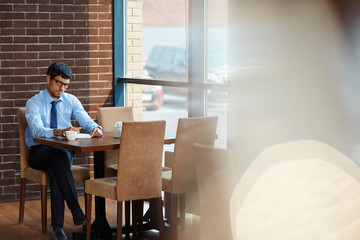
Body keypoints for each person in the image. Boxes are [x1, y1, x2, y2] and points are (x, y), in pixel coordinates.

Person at [25, 62, 103, 240]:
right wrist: (59, 132)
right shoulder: (34, 102)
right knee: (58, 160)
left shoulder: (71, 100)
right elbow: (37, 132)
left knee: (57, 165)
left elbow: (86, 121)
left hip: (63, 151)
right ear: (48, 79)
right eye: (59, 83)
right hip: (39, 151)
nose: (62, 88)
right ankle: (75, 209)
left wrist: (96, 128)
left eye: (66, 84)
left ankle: (58, 228)